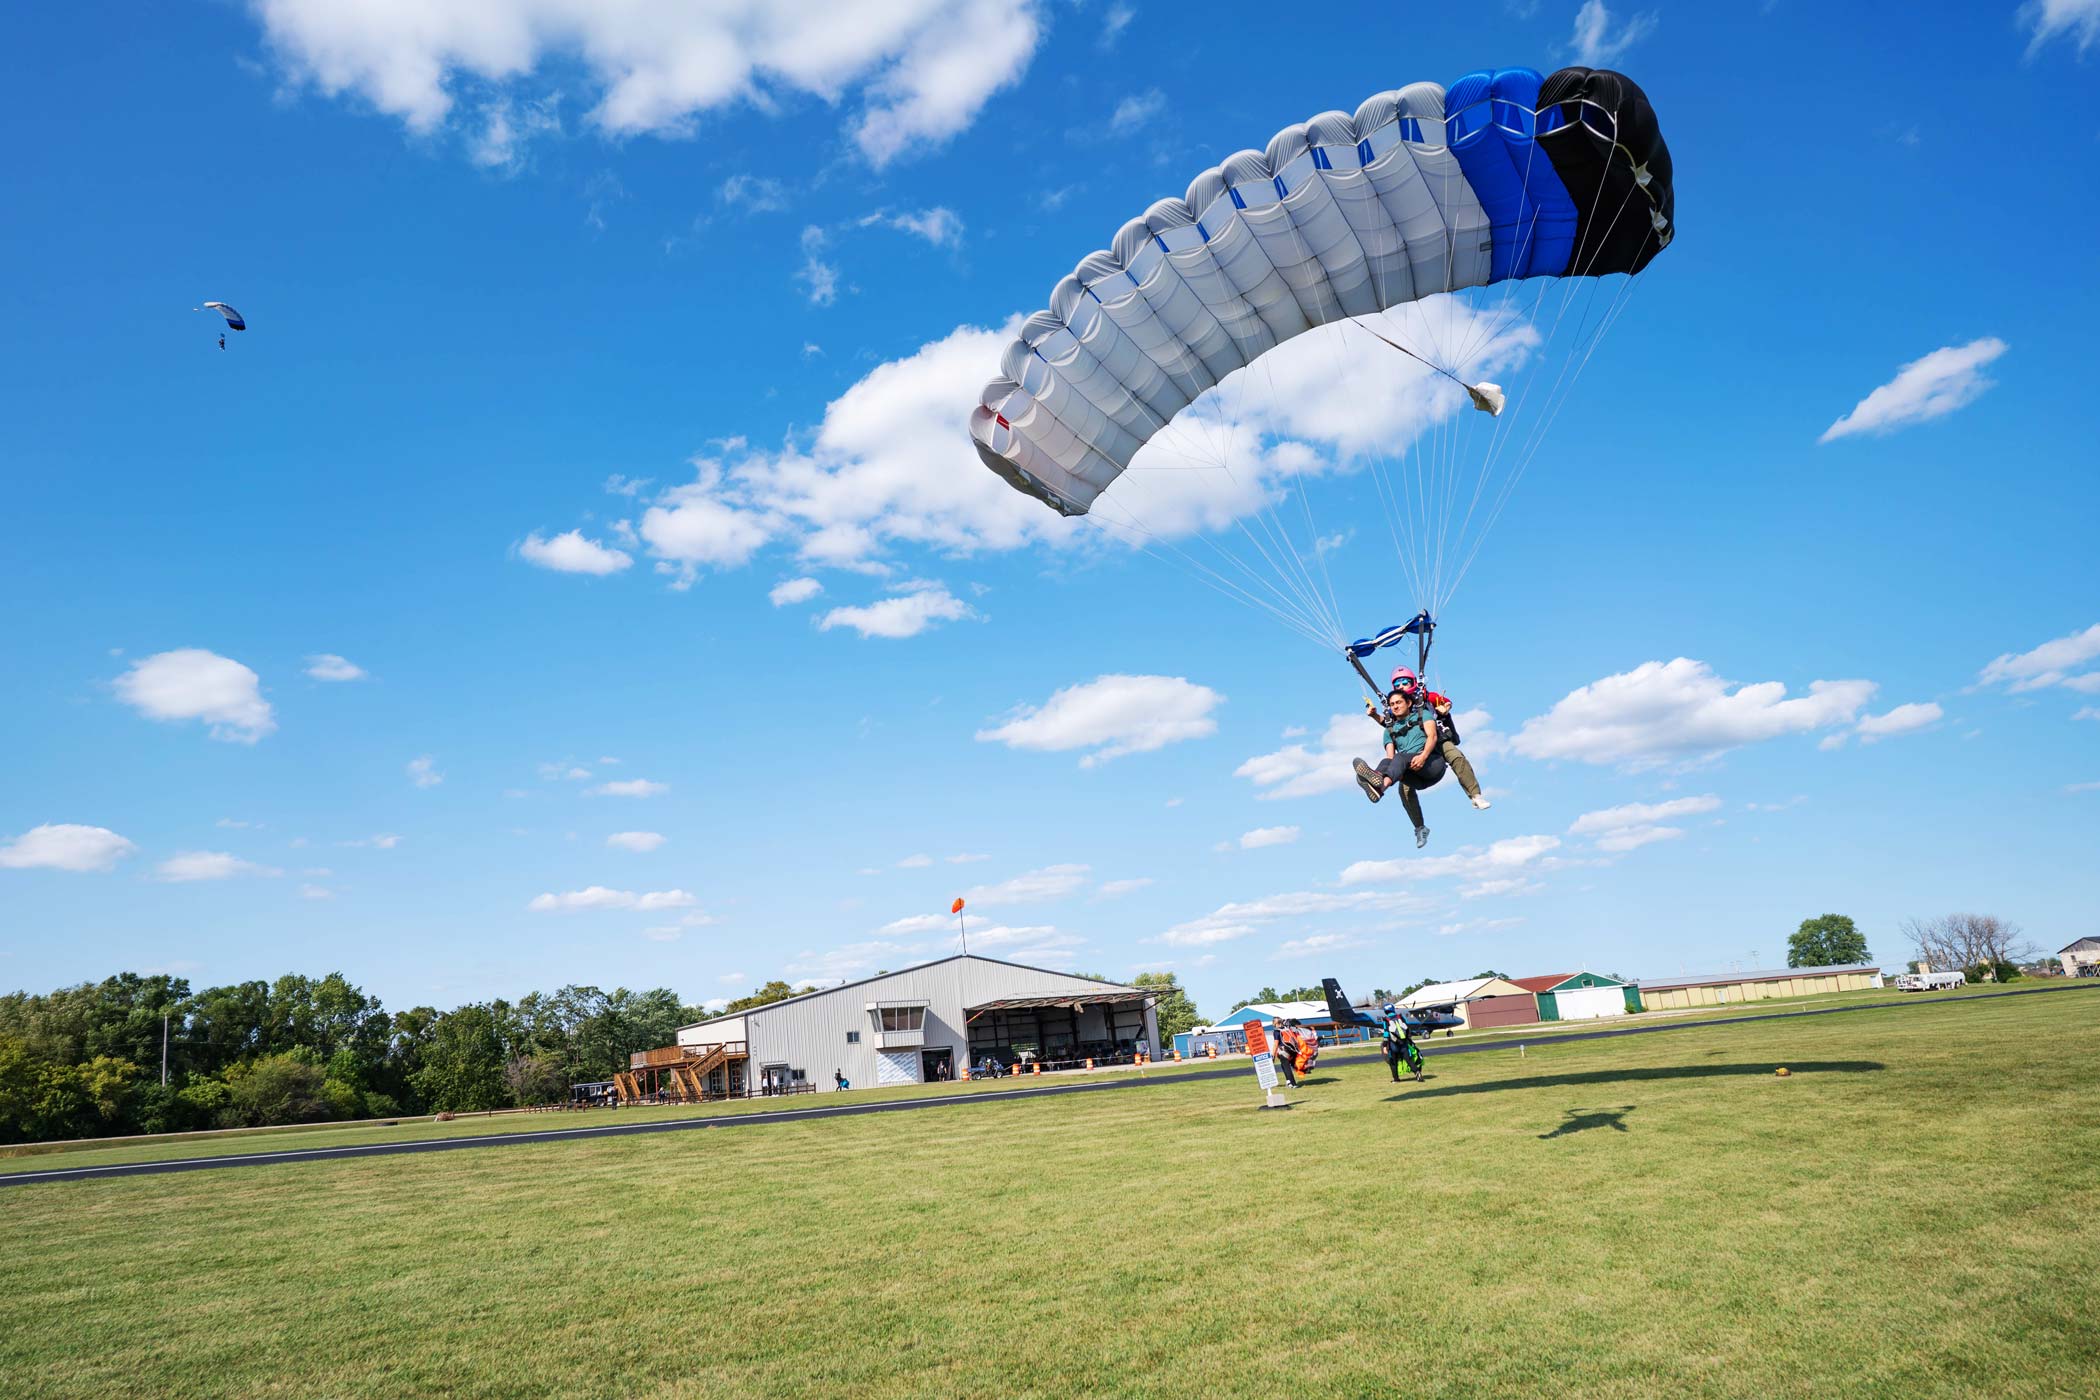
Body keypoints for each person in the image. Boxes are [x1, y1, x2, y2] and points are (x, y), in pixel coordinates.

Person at [1351, 669, 1445, 849]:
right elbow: (1390, 758)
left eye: (1398, 702)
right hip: (1414, 774)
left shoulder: (1421, 714)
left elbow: (1432, 737)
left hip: (1432, 765)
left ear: (1409, 703)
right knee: (1389, 764)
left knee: (1401, 759)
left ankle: (1380, 787)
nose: (1395, 706)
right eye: (1392, 704)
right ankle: (1376, 782)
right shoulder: (1389, 730)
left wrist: (1423, 756)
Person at [1423, 689, 1491, 810]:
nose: (1402, 686)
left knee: (1457, 757)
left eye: (1405, 682)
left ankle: (1476, 795)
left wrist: (1445, 708)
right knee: (1405, 787)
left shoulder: (1427, 696)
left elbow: (1447, 702)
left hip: (1437, 738)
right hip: (1417, 743)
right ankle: (1419, 825)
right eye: (1398, 684)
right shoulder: (1397, 702)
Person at [1381, 1003, 1423, 1083]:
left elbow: (1386, 1034)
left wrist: (1384, 1046)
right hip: (1404, 1043)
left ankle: (1396, 1079)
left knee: (1393, 1062)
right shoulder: (1400, 1017)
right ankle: (1417, 1072)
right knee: (1409, 1060)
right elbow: (1407, 1029)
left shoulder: (1386, 1020)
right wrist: (1409, 1041)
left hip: (1393, 1045)